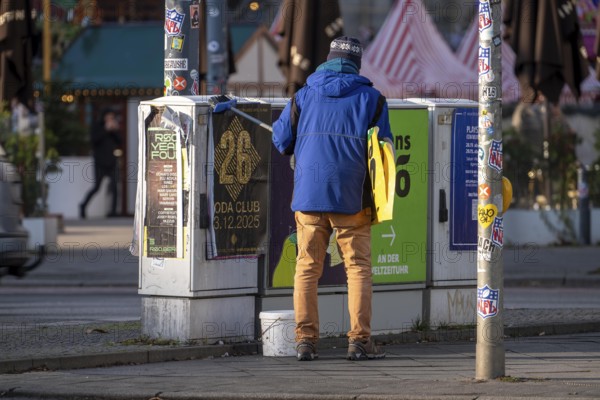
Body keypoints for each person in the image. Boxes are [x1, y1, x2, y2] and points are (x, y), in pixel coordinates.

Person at [272, 36, 393, 361]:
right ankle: (359, 341)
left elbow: (282, 139)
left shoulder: (304, 95)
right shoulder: (373, 99)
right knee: (358, 267)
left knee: (307, 268)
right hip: (352, 197)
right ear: (357, 65)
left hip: (309, 196)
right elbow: (384, 154)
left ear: (328, 60)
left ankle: (305, 342)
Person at [79, 109, 121, 218]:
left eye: (112, 117)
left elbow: (120, 142)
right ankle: (83, 206)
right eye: (109, 117)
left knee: (114, 187)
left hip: (112, 161)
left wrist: (115, 130)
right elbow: (94, 140)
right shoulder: (97, 126)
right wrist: (106, 130)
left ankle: (113, 212)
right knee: (97, 187)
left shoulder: (113, 130)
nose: (110, 119)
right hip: (100, 162)